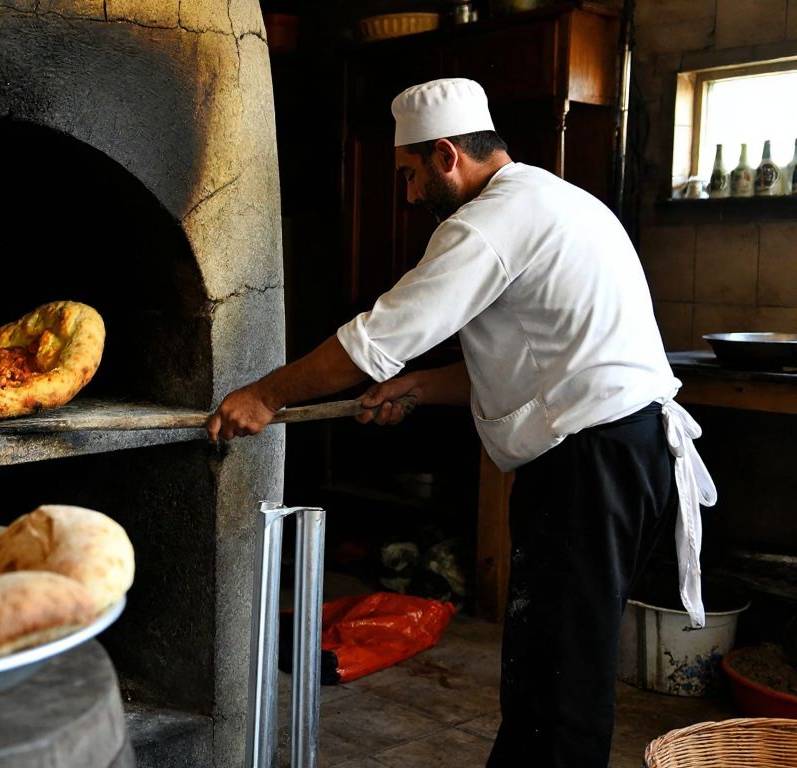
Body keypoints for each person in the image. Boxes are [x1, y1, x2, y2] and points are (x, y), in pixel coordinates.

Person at [205, 78, 715, 768]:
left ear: (446, 155)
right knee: (552, 671)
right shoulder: (557, 200)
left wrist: (266, 396)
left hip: (589, 468)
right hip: (629, 456)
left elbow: (372, 342)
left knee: (559, 688)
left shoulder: (486, 223)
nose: (410, 193)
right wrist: (421, 386)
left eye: (409, 174)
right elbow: (543, 360)